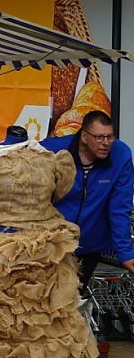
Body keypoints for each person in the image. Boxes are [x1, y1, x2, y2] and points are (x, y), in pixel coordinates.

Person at [45, 111, 134, 285]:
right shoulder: (52, 150)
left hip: (90, 244)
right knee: (45, 303)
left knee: (74, 298)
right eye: (99, 137)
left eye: (110, 137)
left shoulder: (120, 155)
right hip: (53, 245)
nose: (106, 143)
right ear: (84, 136)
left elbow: (120, 207)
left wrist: (125, 252)